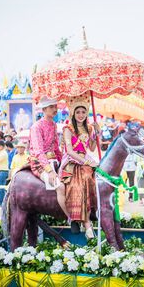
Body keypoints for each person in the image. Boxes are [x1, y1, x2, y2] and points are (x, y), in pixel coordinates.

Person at [59, 94, 100, 237]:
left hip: (85, 159)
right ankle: (79, 220)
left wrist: (97, 132)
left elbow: (93, 148)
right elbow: (69, 151)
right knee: (76, 185)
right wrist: (86, 162)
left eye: (83, 112)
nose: (81, 115)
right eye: (78, 112)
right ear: (73, 113)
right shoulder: (67, 129)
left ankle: (92, 210)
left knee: (91, 178)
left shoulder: (89, 128)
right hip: (71, 161)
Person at [29, 96, 69, 220]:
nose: (55, 109)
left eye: (55, 107)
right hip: (40, 164)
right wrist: (50, 171)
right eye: (51, 107)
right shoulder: (36, 127)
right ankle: (72, 219)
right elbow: (38, 151)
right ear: (44, 109)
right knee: (60, 186)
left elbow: (56, 148)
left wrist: (65, 161)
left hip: (54, 161)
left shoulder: (53, 125)